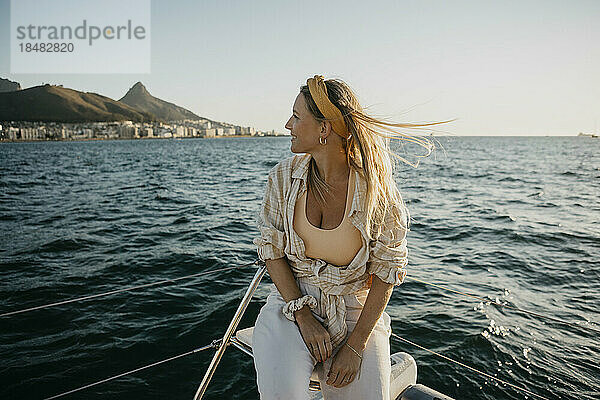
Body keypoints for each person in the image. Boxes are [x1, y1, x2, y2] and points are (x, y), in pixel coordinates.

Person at [252, 75, 448, 400]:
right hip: (293, 303)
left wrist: (355, 347)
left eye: (297, 116)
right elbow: (271, 251)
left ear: (324, 129)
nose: (288, 124)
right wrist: (302, 315)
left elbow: (387, 271)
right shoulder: (283, 177)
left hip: (355, 315)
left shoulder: (376, 191)